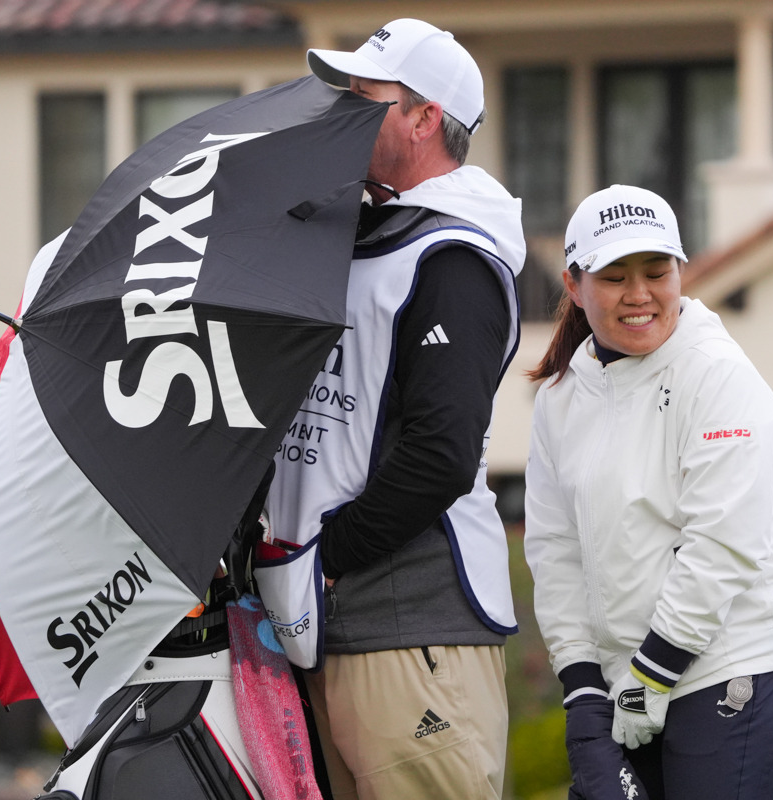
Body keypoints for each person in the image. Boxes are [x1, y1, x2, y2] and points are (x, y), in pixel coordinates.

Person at [262, 18, 525, 800]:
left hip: (412, 629)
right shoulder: (361, 233)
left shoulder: (454, 256)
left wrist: (329, 559)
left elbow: (441, 454)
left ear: (423, 119)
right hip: (333, 623)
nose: (343, 109)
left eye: (364, 96)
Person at [523, 185, 773, 800]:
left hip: (734, 666)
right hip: (626, 681)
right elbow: (555, 550)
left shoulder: (718, 375)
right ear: (574, 284)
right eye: (614, 278)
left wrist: (651, 673)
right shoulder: (560, 397)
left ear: (681, 272)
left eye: (657, 273)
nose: (639, 294)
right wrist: (582, 688)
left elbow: (721, 545)